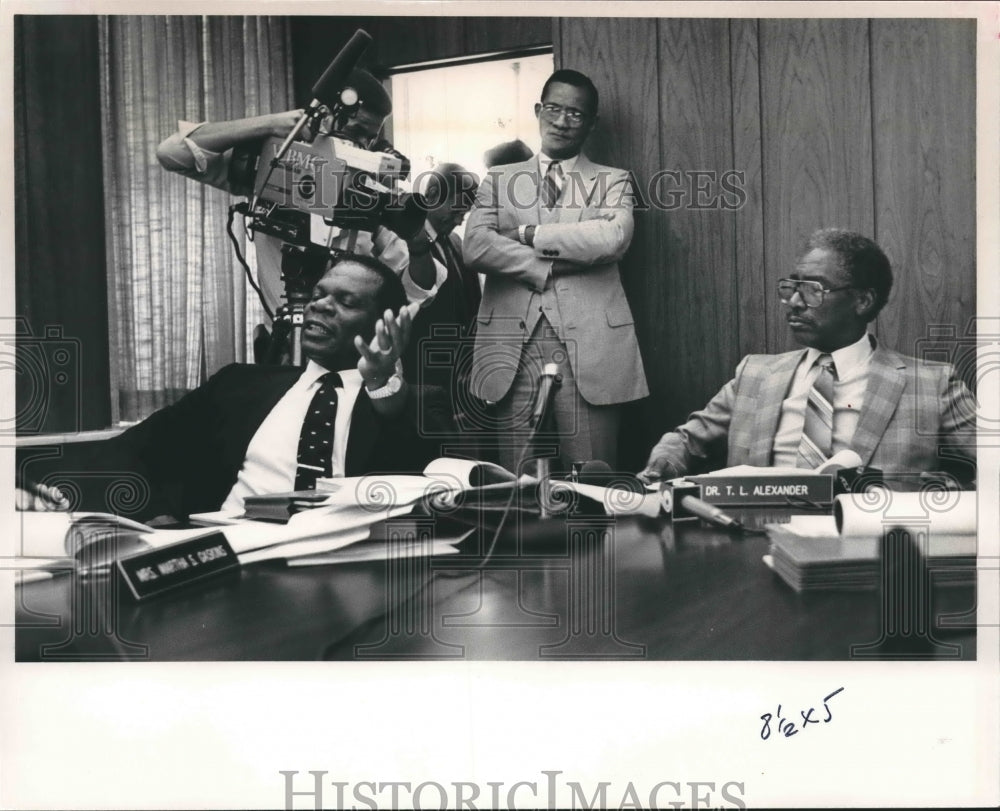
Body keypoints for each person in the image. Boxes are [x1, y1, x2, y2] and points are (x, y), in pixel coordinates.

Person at [16, 255, 454, 521]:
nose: (321, 304)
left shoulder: (413, 404)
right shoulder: (240, 385)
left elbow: (421, 480)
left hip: (345, 569)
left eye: (346, 301)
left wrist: (379, 382)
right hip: (232, 554)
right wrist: (33, 481)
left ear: (384, 323)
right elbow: (140, 446)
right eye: (320, 293)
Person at [639, 229, 978, 485]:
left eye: (813, 290)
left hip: (869, 549)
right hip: (754, 537)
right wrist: (661, 467)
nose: (794, 302)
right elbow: (687, 440)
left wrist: (949, 497)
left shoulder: (932, 384)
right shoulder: (755, 374)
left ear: (863, 301)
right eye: (792, 286)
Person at [462, 69, 648, 473]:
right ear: (538, 110)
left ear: (592, 123)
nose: (562, 121)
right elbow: (475, 246)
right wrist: (544, 266)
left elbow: (612, 239)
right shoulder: (499, 179)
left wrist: (529, 233)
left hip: (591, 350)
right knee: (516, 481)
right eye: (554, 109)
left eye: (576, 114)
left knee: (593, 479)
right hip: (511, 346)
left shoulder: (613, 181)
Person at [155, 68, 448, 319]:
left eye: (369, 138)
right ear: (323, 117)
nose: (361, 145)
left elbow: (417, 290)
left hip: (350, 352)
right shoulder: (274, 165)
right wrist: (271, 124)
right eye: (356, 131)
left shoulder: (369, 189)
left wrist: (418, 240)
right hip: (285, 339)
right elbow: (173, 153)